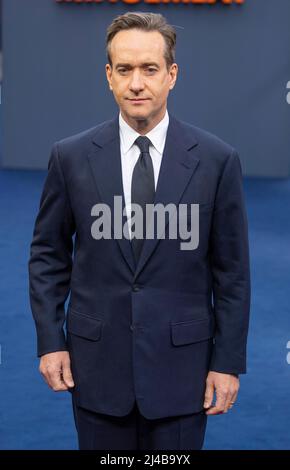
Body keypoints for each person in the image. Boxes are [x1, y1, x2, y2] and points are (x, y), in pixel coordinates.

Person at [28, 11, 251, 450]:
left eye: (149, 69)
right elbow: (47, 257)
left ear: (172, 74)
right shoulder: (69, 157)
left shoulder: (217, 160)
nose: (136, 83)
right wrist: (50, 341)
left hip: (182, 373)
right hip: (96, 370)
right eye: (125, 69)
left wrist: (227, 363)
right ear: (108, 76)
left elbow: (233, 274)